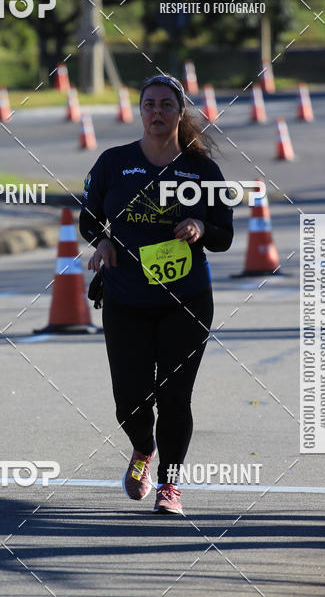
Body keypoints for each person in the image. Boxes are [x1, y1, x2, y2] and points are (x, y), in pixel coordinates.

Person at [79, 74, 233, 514]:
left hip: (186, 302)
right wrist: (102, 242)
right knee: (129, 400)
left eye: (167, 104)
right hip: (126, 298)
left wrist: (201, 226)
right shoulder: (114, 163)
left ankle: (170, 484)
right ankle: (143, 447)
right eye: (149, 104)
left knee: (174, 397)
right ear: (140, 111)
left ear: (180, 113)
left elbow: (224, 235)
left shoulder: (202, 170)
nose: (157, 112)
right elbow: (88, 219)